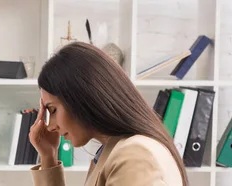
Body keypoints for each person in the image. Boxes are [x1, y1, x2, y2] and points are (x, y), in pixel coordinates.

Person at [28, 42, 188, 186]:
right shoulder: (114, 151)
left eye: (53, 110)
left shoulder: (133, 156)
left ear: (80, 96)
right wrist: (49, 155)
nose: (51, 126)